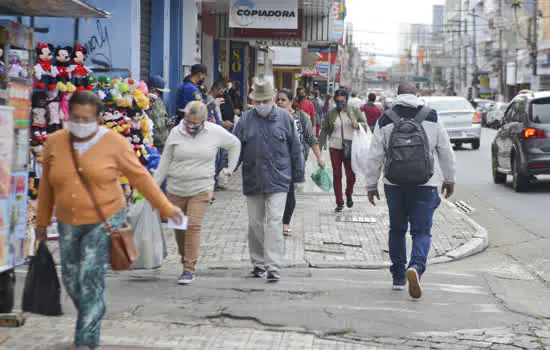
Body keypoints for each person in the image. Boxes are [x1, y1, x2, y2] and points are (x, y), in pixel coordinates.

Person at [35, 91, 185, 350]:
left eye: (86, 119)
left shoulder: (115, 143)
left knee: (91, 276)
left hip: (104, 219)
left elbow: (140, 178)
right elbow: (47, 187)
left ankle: (86, 340)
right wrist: (41, 221)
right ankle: (91, 313)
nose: (80, 123)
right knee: (71, 276)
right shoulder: (55, 142)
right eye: (75, 118)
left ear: (99, 119)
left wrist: (166, 208)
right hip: (68, 220)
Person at [365, 82, 456, 300]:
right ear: (417, 95)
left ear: (397, 95)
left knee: (397, 229)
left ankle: (398, 277)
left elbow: (375, 155)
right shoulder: (432, 116)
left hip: (394, 184)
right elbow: (445, 150)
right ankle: (415, 267)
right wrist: (450, 179)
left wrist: (371, 184)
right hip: (426, 183)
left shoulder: (386, 118)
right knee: (421, 231)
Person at [154, 101, 241, 285]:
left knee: (193, 225)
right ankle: (185, 257)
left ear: (204, 120)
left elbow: (234, 144)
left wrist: (229, 169)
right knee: (178, 227)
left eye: (196, 122)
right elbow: (164, 162)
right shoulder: (176, 132)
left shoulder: (214, 132)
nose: (192, 126)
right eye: (189, 121)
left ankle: (189, 267)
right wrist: (153, 189)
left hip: (201, 187)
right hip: (175, 189)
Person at [234, 78, 304, 282]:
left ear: (272, 99)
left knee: (274, 222)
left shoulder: (285, 118)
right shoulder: (246, 119)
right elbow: (236, 148)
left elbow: (295, 149)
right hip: (253, 177)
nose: (261, 105)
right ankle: (258, 264)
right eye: (258, 101)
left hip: (279, 178)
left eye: (265, 100)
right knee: (255, 223)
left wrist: (298, 177)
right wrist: (227, 169)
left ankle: (273, 266)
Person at [276, 89, 326, 236]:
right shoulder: (273, 116)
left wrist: (320, 158)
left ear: (291, 101)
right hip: (275, 160)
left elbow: (310, 138)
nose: (279, 103)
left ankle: (285, 224)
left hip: (294, 161)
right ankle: (275, 221)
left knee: (289, 192)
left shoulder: (302, 117)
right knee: (276, 192)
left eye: (283, 100)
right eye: (278, 100)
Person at [319, 89, 367, 212]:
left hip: (351, 147)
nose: (340, 103)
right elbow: (324, 129)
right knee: (337, 174)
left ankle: (349, 193)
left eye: (342, 101)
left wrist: (357, 125)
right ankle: (339, 202)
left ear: (346, 100)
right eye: (337, 101)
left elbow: (365, 124)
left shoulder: (355, 110)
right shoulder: (331, 113)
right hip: (335, 147)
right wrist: (320, 148)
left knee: (351, 175)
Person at [206, 80, 230, 191]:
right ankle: (212, 184)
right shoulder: (209, 101)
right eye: (221, 91)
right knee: (215, 160)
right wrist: (220, 123)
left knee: (219, 158)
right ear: (216, 89)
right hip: (212, 134)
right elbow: (209, 116)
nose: (221, 94)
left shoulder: (214, 101)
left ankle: (215, 182)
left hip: (218, 130)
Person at [147, 75, 170, 152]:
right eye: (158, 92)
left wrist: (168, 123)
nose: (159, 94)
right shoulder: (144, 102)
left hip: (162, 142)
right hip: (151, 144)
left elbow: (163, 118)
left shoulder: (159, 101)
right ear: (151, 89)